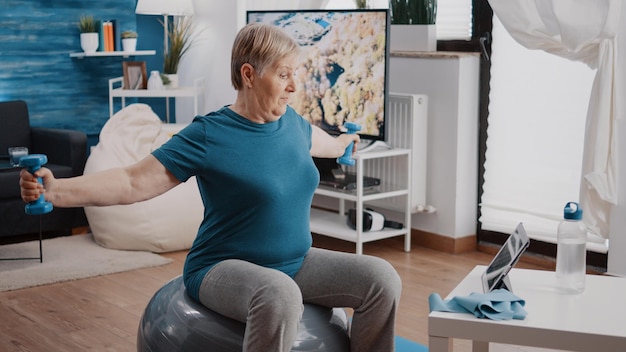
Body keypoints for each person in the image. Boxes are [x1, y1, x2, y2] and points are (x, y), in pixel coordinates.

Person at [20, 22, 401, 352]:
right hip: (222, 266)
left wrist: (342, 144)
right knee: (279, 296)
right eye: (284, 75)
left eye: (295, 73)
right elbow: (132, 180)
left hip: (295, 262)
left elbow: (321, 141)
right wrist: (56, 191)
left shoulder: (293, 124)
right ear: (249, 75)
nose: (294, 86)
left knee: (381, 279)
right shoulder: (209, 134)